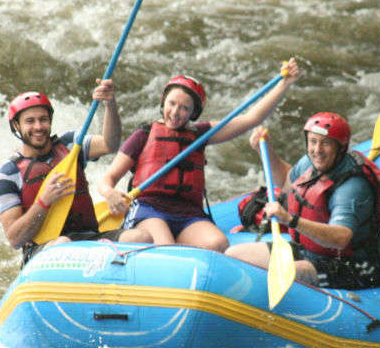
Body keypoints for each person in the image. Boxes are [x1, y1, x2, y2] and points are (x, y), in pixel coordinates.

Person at [98, 58, 301, 252]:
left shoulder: (201, 134)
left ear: (193, 113)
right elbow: (108, 178)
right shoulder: (143, 134)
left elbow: (251, 118)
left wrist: (284, 84)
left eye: (185, 108)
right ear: (163, 102)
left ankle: (179, 240)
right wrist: (110, 193)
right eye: (172, 104)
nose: (176, 112)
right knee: (165, 248)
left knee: (218, 243)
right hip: (150, 209)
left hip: (187, 213)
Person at [225, 113, 380, 290]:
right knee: (234, 255)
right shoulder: (310, 162)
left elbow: (341, 238)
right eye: (313, 141)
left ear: (340, 147)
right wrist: (265, 151)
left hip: (354, 266)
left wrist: (291, 220)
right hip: (311, 252)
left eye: (326, 143)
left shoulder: (352, 186)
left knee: (286, 274)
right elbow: (286, 181)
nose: (317, 150)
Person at [0, 81, 150, 264]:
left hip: (90, 238)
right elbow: (15, 238)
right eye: (30, 121)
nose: (38, 127)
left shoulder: (71, 145)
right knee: (64, 244)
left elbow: (110, 144)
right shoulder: (7, 174)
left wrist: (110, 104)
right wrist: (43, 202)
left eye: (43, 119)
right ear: (16, 126)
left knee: (142, 238)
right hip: (44, 247)